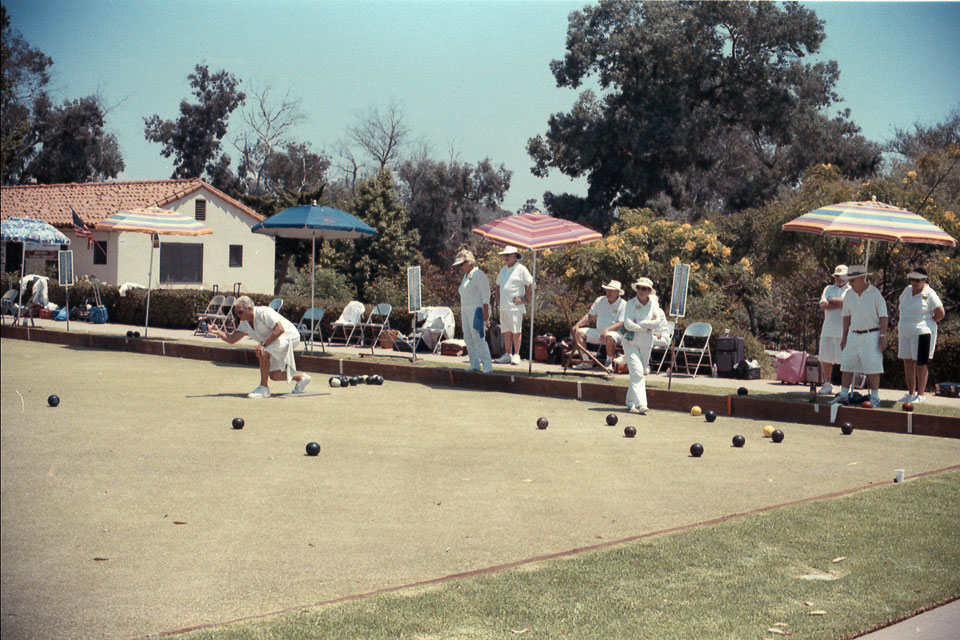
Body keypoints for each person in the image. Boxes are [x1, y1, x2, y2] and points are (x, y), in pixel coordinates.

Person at [208, 295, 310, 398]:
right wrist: (218, 332)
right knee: (274, 375)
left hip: (289, 336)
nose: (238, 315)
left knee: (263, 351)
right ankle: (301, 378)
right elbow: (232, 339)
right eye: (236, 313)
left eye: (240, 312)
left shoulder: (264, 312)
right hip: (275, 341)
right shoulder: (244, 323)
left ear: (250, 309)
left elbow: (280, 329)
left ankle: (264, 388)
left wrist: (263, 344)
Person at [609, 277, 668, 414]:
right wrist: (646, 325)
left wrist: (640, 324)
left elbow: (657, 322)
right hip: (630, 341)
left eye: (644, 288)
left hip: (646, 341)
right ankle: (642, 404)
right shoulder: (630, 304)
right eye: (639, 288)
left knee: (638, 373)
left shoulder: (654, 304)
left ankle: (630, 402)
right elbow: (628, 324)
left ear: (649, 291)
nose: (641, 291)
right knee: (637, 373)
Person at [831, 266, 888, 408]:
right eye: (849, 281)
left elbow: (883, 316)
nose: (850, 284)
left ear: (862, 278)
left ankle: (874, 398)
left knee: (873, 367)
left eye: (853, 280)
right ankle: (843, 395)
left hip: (872, 334)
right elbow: (846, 316)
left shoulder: (875, 294)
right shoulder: (849, 295)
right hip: (853, 335)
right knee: (847, 364)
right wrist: (844, 336)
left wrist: (882, 335)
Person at [897, 267, 945, 403]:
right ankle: (910, 393)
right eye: (912, 279)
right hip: (905, 331)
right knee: (907, 361)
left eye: (918, 280)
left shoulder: (930, 293)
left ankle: (921, 395)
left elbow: (940, 313)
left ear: (925, 280)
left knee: (921, 363)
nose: (914, 282)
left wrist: (929, 321)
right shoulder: (906, 290)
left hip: (922, 332)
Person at [571, 280, 626, 369]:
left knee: (610, 336)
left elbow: (620, 323)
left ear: (617, 292)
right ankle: (586, 362)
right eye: (607, 290)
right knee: (578, 333)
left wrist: (607, 330)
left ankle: (608, 362)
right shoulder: (600, 300)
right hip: (599, 332)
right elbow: (590, 315)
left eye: (611, 290)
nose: (608, 292)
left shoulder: (624, 304)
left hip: (616, 335)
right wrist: (578, 324)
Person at [453, 249, 492, 373]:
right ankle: (474, 364)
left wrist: (485, 312)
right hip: (466, 310)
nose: (461, 267)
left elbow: (486, 294)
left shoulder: (478, 274)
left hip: (477, 310)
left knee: (478, 337)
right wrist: (461, 312)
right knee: (468, 338)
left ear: (470, 262)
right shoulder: (466, 277)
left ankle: (487, 366)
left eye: (462, 263)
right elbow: (464, 295)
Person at [494, 245, 534, 365]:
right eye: (505, 255)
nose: (505, 257)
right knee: (506, 331)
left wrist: (525, 299)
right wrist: (498, 301)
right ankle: (507, 354)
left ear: (515, 256)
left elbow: (532, 284)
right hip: (504, 306)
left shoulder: (521, 269)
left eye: (508, 255)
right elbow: (497, 285)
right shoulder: (503, 269)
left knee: (516, 331)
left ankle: (516, 354)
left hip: (515, 306)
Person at [817, 265, 849, 394]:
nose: (838, 278)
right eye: (836, 276)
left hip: (844, 331)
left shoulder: (851, 290)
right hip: (828, 328)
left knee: (845, 361)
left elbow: (848, 303)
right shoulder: (828, 289)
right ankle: (827, 383)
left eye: (840, 276)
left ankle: (845, 386)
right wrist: (838, 303)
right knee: (826, 358)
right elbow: (822, 305)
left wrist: (832, 301)